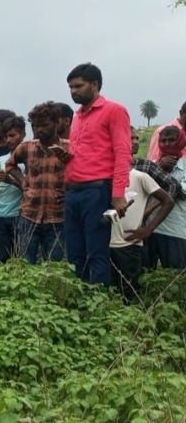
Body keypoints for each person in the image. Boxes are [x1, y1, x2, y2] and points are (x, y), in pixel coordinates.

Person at [64, 63, 132, 286]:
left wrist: (118, 193)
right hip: (73, 191)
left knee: (96, 253)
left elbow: (122, 153)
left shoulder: (114, 110)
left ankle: (99, 306)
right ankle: (79, 303)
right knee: (74, 253)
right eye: (71, 87)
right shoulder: (78, 116)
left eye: (78, 86)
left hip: (97, 190)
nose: (74, 91)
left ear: (95, 85)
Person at [9, 103, 70, 264]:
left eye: (45, 125)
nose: (40, 130)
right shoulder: (26, 148)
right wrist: (22, 182)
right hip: (29, 214)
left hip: (57, 216)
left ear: (56, 123)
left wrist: (69, 192)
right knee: (24, 262)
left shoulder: (68, 148)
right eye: (36, 126)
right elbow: (10, 165)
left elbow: (81, 173)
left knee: (54, 265)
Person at [110, 169, 174, 302]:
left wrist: (148, 229)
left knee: (130, 292)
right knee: (108, 292)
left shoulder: (139, 177)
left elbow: (168, 201)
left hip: (128, 245)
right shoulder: (102, 175)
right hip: (103, 244)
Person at [0, 116, 26, 262]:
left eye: (13, 135)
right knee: (0, 259)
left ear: (23, 134)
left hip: (20, 216)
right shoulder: (0, 160)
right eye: (6, 136)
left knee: (20, 258)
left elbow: (31, 189)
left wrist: (10, 180)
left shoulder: (30, 160)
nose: (9, 140)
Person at [147, 125, 186, 269]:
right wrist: (159, 168)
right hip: (149, 230)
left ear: (181, 142)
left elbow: (180, 192)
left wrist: (158, 173)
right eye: (164, 141)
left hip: (174, 230)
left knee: (176, 277)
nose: (167, 144)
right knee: (147, 275)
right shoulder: (151, 166)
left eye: (172, 140)